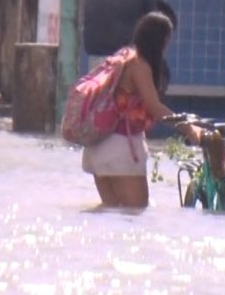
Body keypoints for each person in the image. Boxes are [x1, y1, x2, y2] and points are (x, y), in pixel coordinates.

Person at [83, 11, 197, 208]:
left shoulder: (122, 57)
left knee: (111, 214)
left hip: (97, 148)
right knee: (136, 215)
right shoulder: (139, 66)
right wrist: (190, 129)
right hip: (119, 150)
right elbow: (155, 108)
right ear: (159, 42)